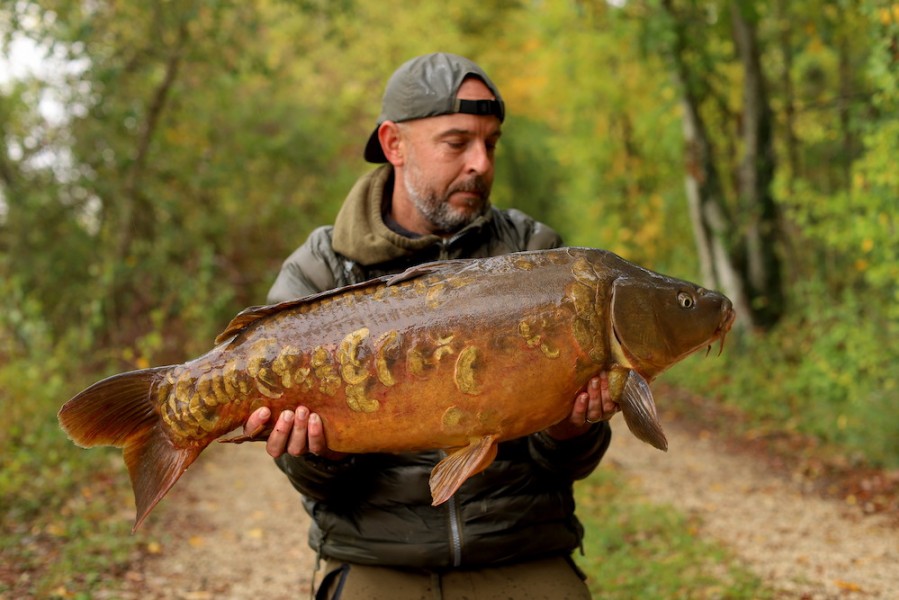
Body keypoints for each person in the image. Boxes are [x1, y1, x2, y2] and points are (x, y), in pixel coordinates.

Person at [243, 52, 618, 600]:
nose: (481, 164)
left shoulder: (536, 256)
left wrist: (570, 428)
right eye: (457, 142)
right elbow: (322, 486)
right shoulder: (321, 269)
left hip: (520, 549)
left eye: (490, 144)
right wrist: (322, 453)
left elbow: (568, 464)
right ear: (395, 144)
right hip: (376, 557)